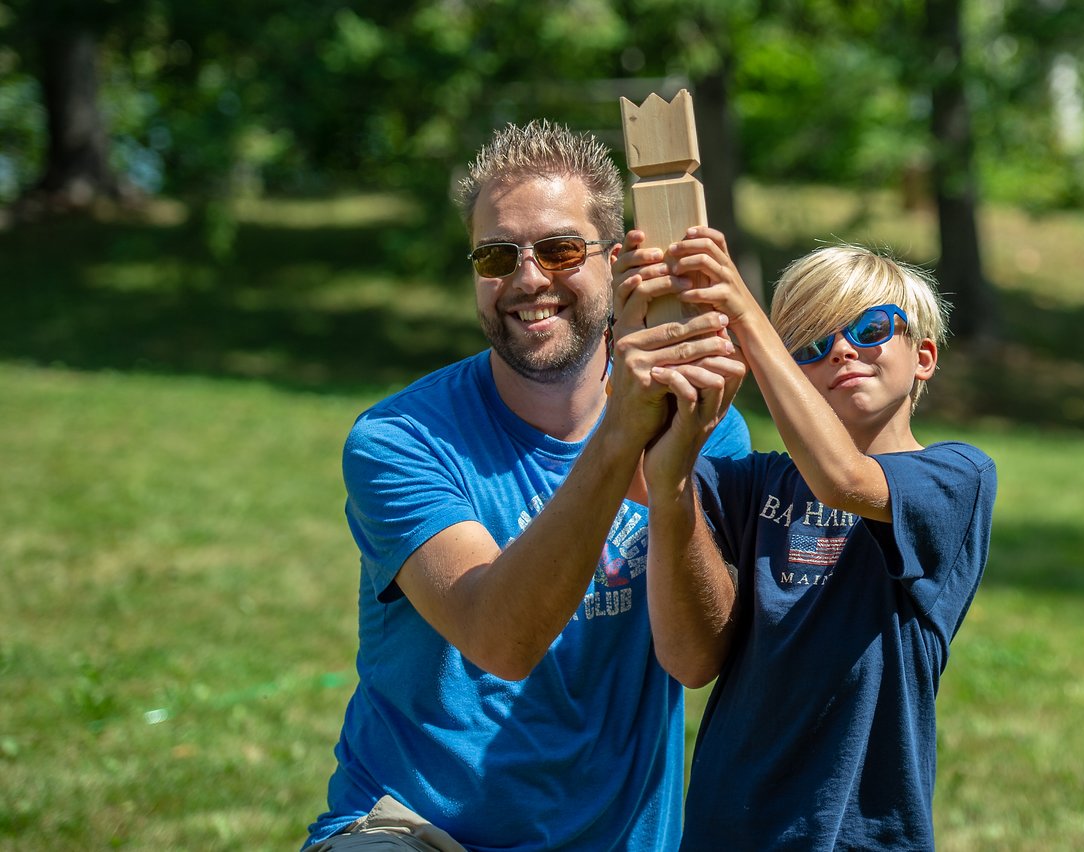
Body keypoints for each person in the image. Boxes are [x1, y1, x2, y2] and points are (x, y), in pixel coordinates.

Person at [303, 122, 752, 851]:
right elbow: (500, 639)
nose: (529, 278)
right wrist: (618, 439)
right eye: (495, 255)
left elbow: (698, 660)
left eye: (559, 249)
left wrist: (669, 488)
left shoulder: (706, 428)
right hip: (419, 830)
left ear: (619, 260)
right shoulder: (399, 440)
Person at [618, 228, 997, 850]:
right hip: (726, 826)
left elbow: (846, 480)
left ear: (924, 356)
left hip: (858, 833)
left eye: (871, 329)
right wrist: (636, 325)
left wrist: (746, 317)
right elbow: (639, 474)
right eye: (812, 347)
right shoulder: (763, 481)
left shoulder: (956, 476)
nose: (843, 352)